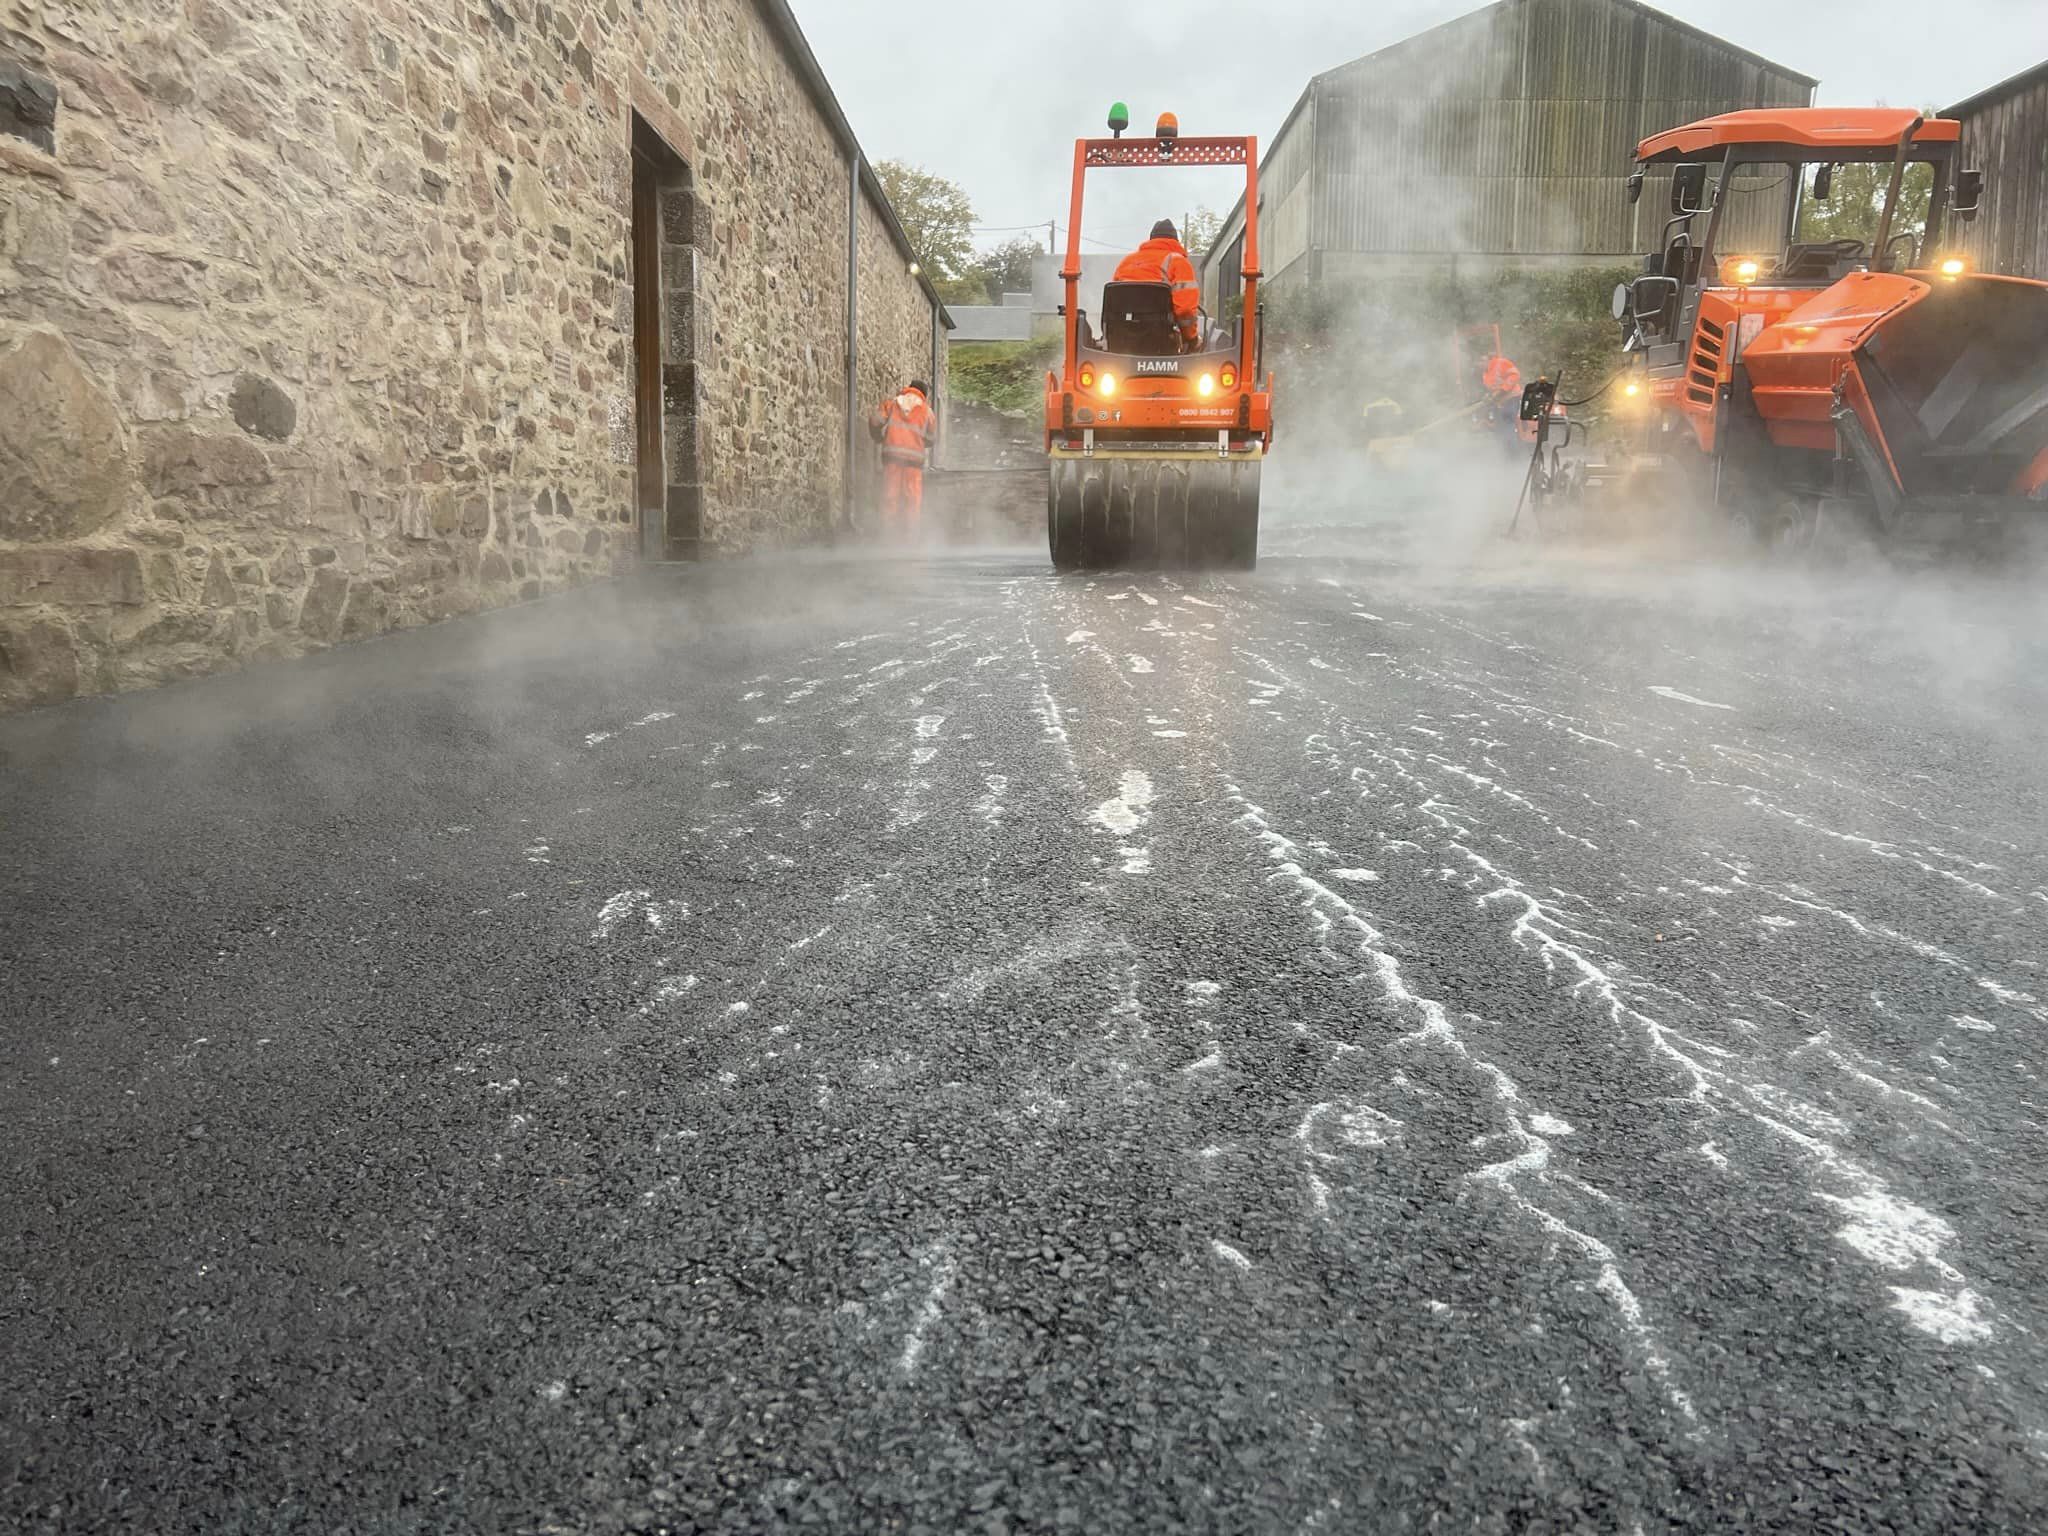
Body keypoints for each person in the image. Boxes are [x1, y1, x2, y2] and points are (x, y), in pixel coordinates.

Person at [1114, 219, 1202, 351]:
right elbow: (1186, 310)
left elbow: (1114, 303)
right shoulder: (1178, 262)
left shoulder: (1126, 262)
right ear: (1175, 241)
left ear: (1151, 240)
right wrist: (1191, 338)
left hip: (1124, 340)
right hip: (1162, 342)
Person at [869, 379, 935, 536]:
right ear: (924, 394)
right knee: (912, 500)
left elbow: (875, 421)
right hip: (913, 462)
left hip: (892, 457)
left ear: (909, 388)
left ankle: (888, 535)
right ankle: (910, 537)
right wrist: (918, 441)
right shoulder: (927, 411)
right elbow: (931, 439)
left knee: (890, 496)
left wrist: (878, 436)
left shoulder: (891, 404)